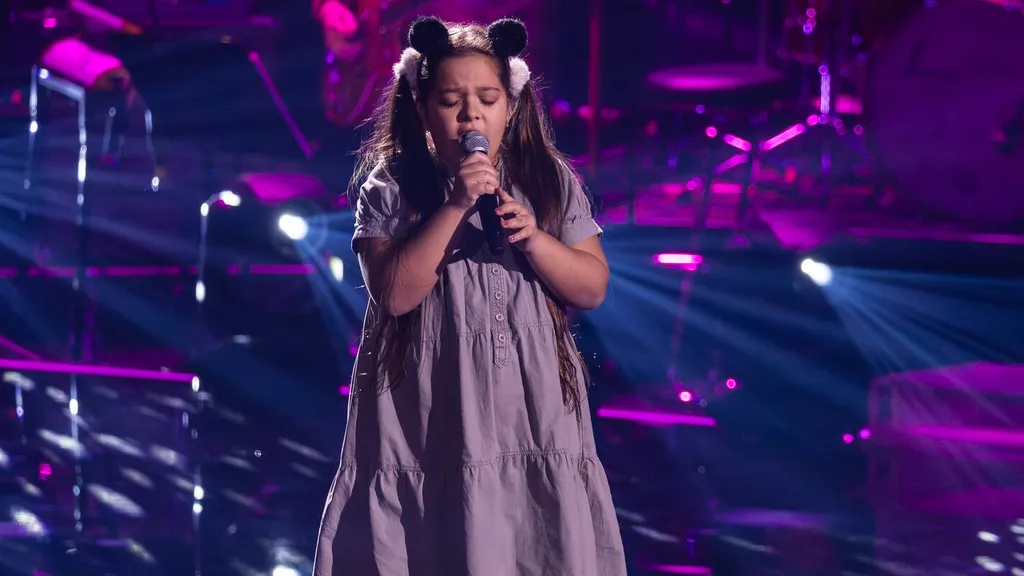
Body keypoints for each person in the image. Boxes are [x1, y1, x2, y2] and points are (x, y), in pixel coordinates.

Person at [314, 15, 627, 576]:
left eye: (487, 98)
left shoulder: (548, 179)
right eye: (451, 100)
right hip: (430, 402)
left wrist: (535, 238)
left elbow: (592, 286)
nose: (470, 115)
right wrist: (456, 204)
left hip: (531, 405)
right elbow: (394, 294)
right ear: (420, 107)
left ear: (513, 104)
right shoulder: (391, 185)